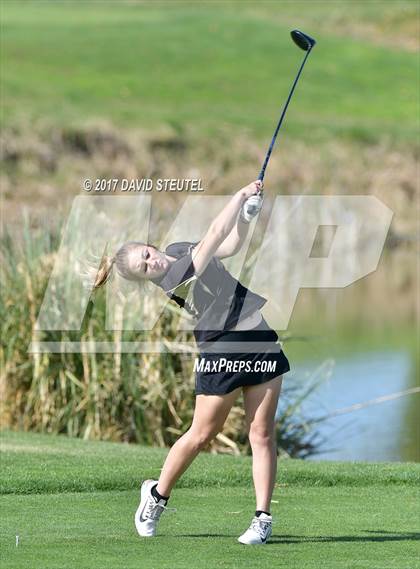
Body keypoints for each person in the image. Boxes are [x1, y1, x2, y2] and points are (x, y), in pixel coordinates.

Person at [92, 180, 290, 545]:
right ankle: (156, 496)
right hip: (222, 351)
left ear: (150, 246)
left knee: (261, 433)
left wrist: (246, 217)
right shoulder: (174, 279)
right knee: (201, 435)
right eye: (145, 267)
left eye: (147, 254)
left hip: (259, 339)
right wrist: (239, 196)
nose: (153, 262)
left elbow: (228, 244)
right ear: (146, 279)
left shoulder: (178, 250)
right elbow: (216, 232)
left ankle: (262, 518)